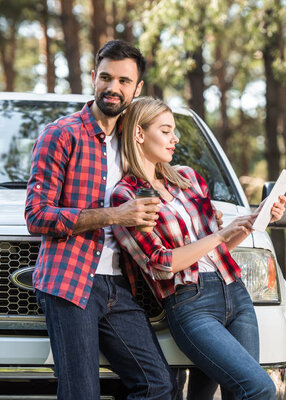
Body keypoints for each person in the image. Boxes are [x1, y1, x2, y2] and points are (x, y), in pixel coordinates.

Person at [25, 41, 175, 400]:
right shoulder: (61, 135)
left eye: (124, 81)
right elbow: (37, 215)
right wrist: (115, 215)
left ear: (137, 90)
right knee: (81, 393)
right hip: (70, 281)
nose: (113, 87)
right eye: (106, 77)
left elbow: (171, 178)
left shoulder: (134, 141)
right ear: (93, 78)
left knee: (157, 384)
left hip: (120, 286)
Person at [111, 97, 286, 400]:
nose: (174, 139)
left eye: (174, 131)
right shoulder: (125, 195)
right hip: (190, 304)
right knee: (259, 388)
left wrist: (256, 221)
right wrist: (219, 236)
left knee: (232, 393)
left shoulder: (188, 178)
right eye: (165, 131)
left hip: (235, 292)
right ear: (139, 134)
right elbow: (161, 263)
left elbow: (215, 249)